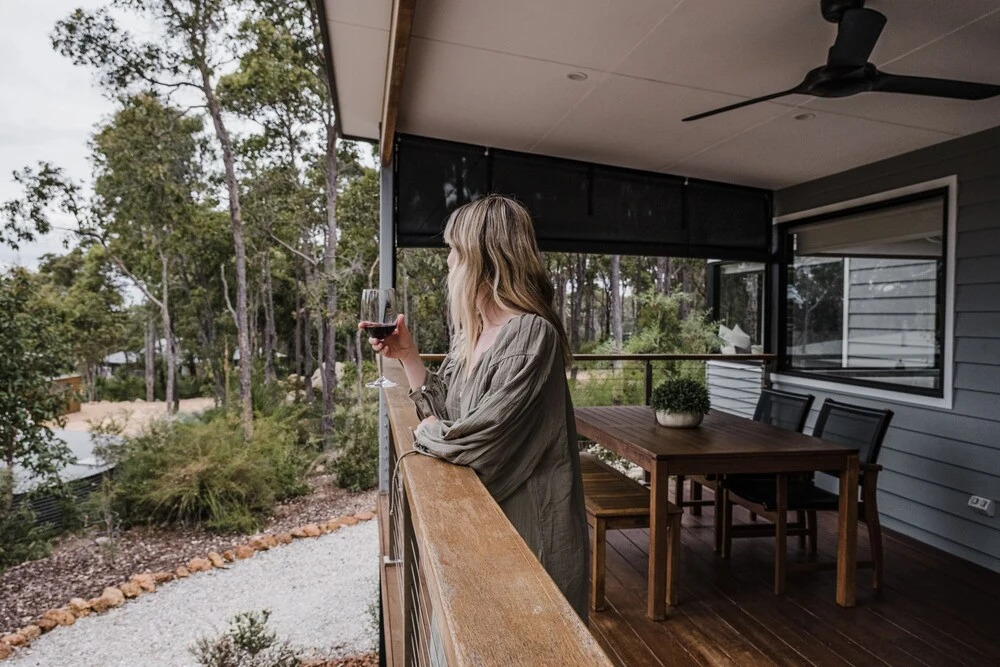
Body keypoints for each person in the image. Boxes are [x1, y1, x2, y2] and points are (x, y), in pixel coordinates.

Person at [362, 195, 589, 620]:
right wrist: (409, 356)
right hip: (486, 528)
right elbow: (449, 414)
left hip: (529, 539)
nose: (448, 262)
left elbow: (473, 444)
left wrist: (428, 432)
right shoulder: (475, 332)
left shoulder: (530, 334)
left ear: (482, 259)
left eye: (454, 250)